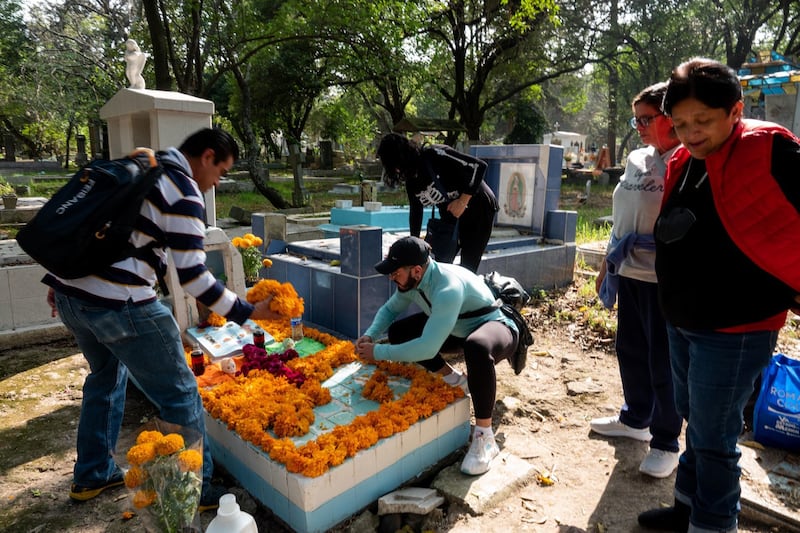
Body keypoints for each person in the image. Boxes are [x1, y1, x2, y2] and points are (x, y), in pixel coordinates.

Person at [45, 128, 283, 511]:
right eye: (220, 172)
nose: (215, 183)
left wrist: (60, 282)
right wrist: (248, 312)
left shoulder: (136, 165)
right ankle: (195, 493)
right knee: (181, 394)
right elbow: (194, 276)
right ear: (206, 156)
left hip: (72, 297)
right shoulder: (182, 189)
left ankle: (92, 474)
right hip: (121, 305)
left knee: (106, 377)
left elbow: (84, 223)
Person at [638, 58, 800, 532]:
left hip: (736, 327)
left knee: (715, 436)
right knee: (696, 421)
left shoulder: (770, 148)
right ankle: (688, 507)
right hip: (684, 318)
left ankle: (713, 524)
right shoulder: (687, 160)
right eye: (681, 123)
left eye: (702, 121)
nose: (689, 132)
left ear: (735, 111)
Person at [354, 236, 521, 475]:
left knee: (476, 347)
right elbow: (391, 309)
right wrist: (370, 335)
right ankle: (456, 380)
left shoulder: (447, 287)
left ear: (417, 270)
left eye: (395, 273)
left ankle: (485, 436)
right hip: (457, 327)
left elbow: (428, 348)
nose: (392, 278)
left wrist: (378, 352)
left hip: (496, 326)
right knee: (400, 331)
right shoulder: (413, 281)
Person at [591, 82, 683, 479]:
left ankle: (666, 440)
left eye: (647, 119)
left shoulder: (687, 160)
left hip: (664, 278)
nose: (640, 127)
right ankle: (636, 419)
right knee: (629, 348)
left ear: (671, 118)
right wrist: (606, 264)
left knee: (663, 361)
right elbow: (623, 214)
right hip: (627, 269)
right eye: (636, 119)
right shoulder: (636, 158)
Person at [377, 133, 498, 272]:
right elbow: (416, 213)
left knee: (467, 269)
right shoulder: (411, 181)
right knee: (440, 267)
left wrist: (462, 202)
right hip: (452, 217)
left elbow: (479, 166)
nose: (395, 171)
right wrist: (412, 246)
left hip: (479, 209)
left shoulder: (434, 154)